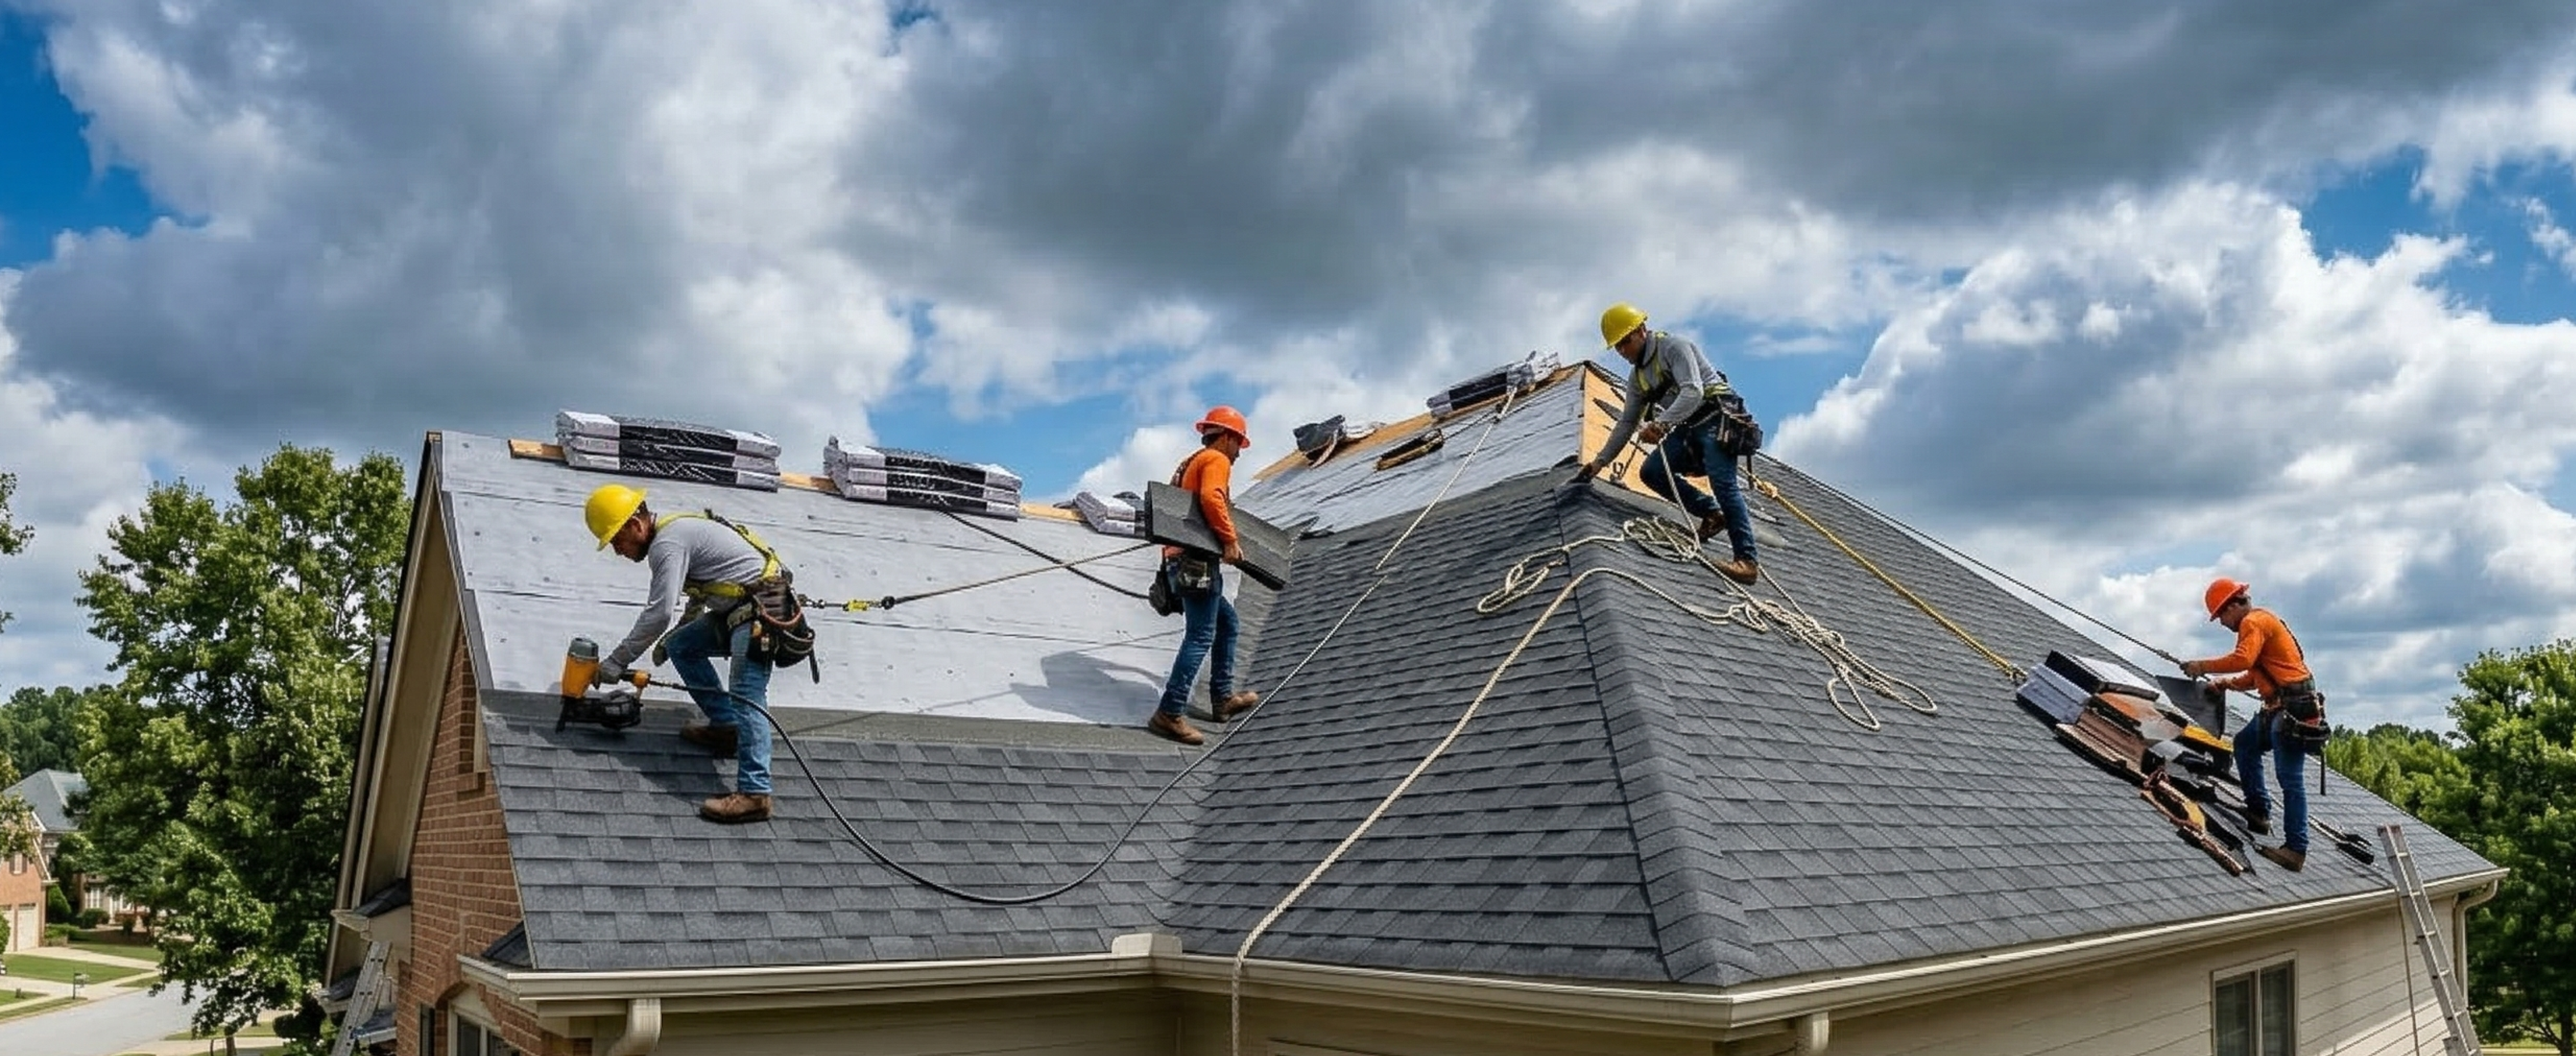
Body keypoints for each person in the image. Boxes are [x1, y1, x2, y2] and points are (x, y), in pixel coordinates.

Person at [585, 483, 783, 824]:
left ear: (636, 525)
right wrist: (676, 634)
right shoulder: (673, 534)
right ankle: (725, 727)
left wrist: (617, 661)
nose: (618, 550)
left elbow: (660, 612)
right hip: (736, 609)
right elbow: (703, 591)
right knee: (682, 646)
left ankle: (755, 794)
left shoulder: (667, 543)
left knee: (747, 694)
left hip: (760, 612)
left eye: (618, 540)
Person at [1574, 302, 1759, 584]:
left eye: (1626, 341)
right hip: (1688, 428)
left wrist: (1661, 424)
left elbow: (1694, 392)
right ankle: (1711, 513)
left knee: (1724, 484)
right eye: (1618, 346)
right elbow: (1626, 423)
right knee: (1652, 471)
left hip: (1716, 417)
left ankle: (1747, 561)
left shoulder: (1674, 347)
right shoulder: (1637, 379)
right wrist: (1599, 463)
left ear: (1642, 331)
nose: (1623, 351)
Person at [2180, 577, 2319, 871]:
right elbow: (2254, 673)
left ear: (2233, 605)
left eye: (2221, 615)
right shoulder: (2261, 622)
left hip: (2292, 712)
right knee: (2244, 745)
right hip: (2279, 709)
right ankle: (2259, 813)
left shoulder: (2252, 623)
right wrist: (2225, 685)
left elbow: (2243, 659)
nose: (2221, 623)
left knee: (2290, 780)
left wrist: (2201, 666)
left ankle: (2296, 849)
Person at [1150, 406, 1262, 745]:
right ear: (1226, 437)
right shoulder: (1216, 460)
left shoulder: (1191, 461)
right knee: (1201, 636)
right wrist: (1229, 540)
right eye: (1238, 444)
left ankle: (1222, 698)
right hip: (1195, 563)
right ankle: (1169, 713)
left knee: (1227, 624)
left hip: (1179, 561)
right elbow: (1213, 498)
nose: (1239, 453)